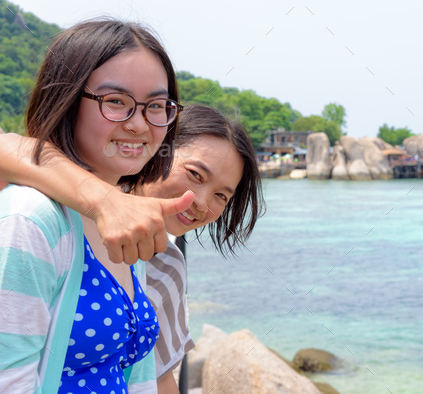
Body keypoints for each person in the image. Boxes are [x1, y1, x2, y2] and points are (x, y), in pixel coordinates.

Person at [0, 104, 264, 393]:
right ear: (157, 150)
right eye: (195, 174)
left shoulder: (168, 264)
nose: (201, 202)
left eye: (221, 196)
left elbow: (158, 376)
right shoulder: (42, 219)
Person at [0, 19, 191, 393]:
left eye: (155, 106)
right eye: (115, 101)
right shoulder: (31, 219)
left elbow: (133, 373)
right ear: (66, 100)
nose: (139, 124)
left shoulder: (123, 221)